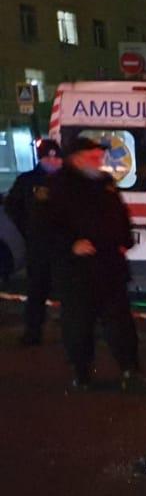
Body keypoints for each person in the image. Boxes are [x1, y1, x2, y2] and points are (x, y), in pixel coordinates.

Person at [47, 136, 145, 392]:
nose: (99, 159)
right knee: (79, 324)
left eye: (99, 156)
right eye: (93, 155)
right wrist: (71, 244)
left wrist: (125, 240)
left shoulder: (105, 183)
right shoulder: (59, 185)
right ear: (77, 158)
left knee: (121, 323)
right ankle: (81, 373)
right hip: (78, 270)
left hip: (110, 265)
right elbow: (45, 227)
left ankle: (129, 369)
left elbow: (121, 215)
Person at [4, 138, 62, 344]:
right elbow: (13, 207)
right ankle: (33, 331)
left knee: (70, 290)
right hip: (39, 246)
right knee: (37, 290)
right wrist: (28, 229)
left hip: (64, 246)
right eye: (49, 158)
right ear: (42, 158)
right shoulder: (28, 181)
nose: (54, 162)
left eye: (57, 158)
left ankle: (74, 331)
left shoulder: (67, 180)